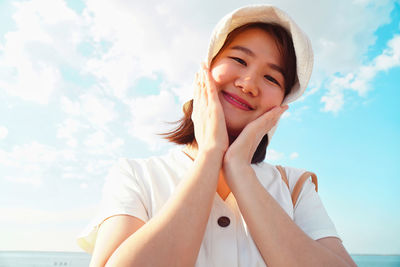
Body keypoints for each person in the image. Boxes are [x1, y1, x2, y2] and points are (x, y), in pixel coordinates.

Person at [77, 5, 357, 267]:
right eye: (238, 60)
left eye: (272, 78)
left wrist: (239, 169)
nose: (248, 84)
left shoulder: (294, 187)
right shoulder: (138, 175)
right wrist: (210, 156)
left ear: (283, 104)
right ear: (206, 69)